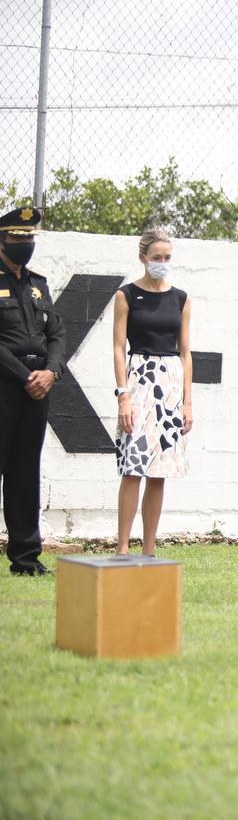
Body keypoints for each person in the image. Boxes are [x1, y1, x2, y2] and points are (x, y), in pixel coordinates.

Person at [113, 229, 193, 556]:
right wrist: (123, 395)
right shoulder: (127, 295)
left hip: (171, 383)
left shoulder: (181, 299)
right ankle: (122, 547)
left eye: (167, 257)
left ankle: (149, 549)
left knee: (160, 472)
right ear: (143, 258)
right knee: (133, 467)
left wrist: (187, 402)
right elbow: (118, 348)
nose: (162, 262)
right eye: (157, 257)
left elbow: (185, 352)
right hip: (139, 378)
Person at [0, 207, 63, 576]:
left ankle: (25, 559)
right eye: (17, 237)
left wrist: (50, 372)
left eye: (29, 238)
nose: (24, 243)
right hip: (6, 387)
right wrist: (26, 376)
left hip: (37, 391)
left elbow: (56, 334)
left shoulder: (38, 284)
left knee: (25, 474)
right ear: (2, 241)